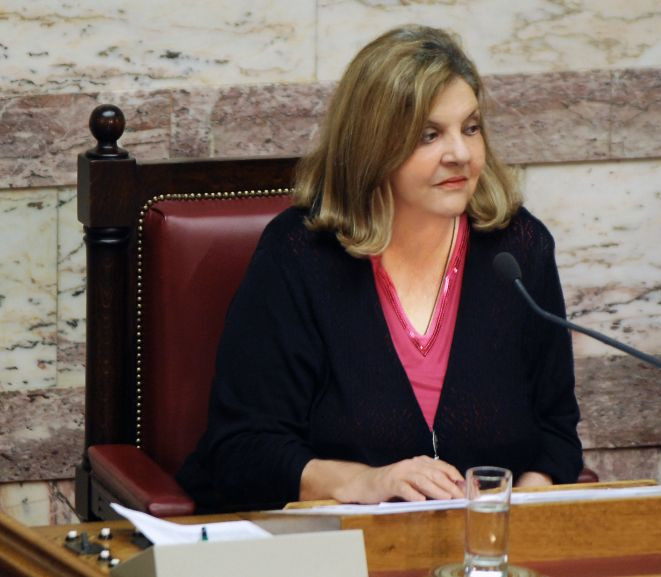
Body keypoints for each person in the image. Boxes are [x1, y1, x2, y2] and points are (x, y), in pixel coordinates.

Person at [177, 25, 583, 512]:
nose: (460, 154)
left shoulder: (518, 249)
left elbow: (556, 433)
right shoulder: (299, 255)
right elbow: (242, 450)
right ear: (373, 146)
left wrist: (520, 511)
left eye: (471, 128)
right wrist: (366, 482)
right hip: (338, 542)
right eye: (429, 135)